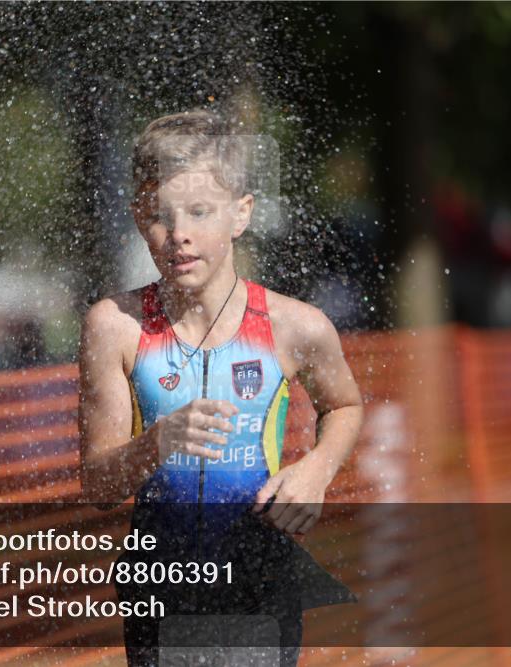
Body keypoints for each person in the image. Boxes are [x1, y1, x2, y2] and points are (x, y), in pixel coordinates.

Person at [78, 109, 363, 666]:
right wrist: (156, 443)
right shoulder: (114, 327)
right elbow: (97, 485)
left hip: (260, 575)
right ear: (140, 218)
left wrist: (317, 470)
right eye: (161, 215)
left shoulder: (293, 326)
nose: (179, 233)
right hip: (159, 582)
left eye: (201, 212)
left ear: (241, 214)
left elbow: (345, 405)